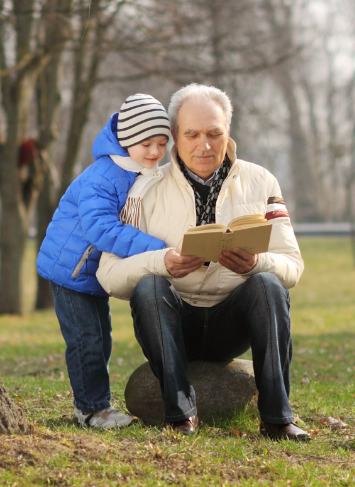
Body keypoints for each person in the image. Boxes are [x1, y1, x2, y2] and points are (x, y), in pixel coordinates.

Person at [96, 84, 311, 440]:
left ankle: (277, 419)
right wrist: (163, 261)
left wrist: (255, 263)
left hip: (233, 321)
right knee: (149, 284)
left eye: (215, 134)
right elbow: (109, 275)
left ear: (228, 134)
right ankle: (180, 415)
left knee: (268, 283)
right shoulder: (143, 188)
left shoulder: (262, 181)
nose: (204, 145)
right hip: (174, 320)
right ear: (175, 136)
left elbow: (293, 266)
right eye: (192, 134)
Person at [36, 94, 171, 429]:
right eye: (146, 143)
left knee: (102, 338)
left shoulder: (135, 170)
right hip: (71, 271)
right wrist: (156, 248)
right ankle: (91, 410)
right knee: (86, 341)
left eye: (161, 143)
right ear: (126, 140)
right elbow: (102, 229)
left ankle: (96, 403)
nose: (155, 152)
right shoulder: (104, 176)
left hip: (91, 274)